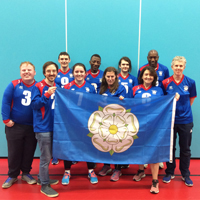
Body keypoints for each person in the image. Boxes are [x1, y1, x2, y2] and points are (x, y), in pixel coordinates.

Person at [1, 61, 37, 189]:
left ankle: (26, 173)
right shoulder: (13, 84)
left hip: (32, 127)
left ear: (34, 72)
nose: (26, 72)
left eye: (29, 70)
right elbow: (5, 102)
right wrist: (6, 119)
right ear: (20, 72)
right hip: (15, 125)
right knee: (14, 151)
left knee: (29, 151)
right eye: (24, 70)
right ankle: (12, 175)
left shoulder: (38, 86)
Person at [162, 56, 197, 187]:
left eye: (180, 66)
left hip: (186, 120)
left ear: (184, 67)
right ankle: (169, 172)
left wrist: (184, 110)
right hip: (170, 121)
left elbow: (191, 99)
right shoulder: (165, 82)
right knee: (170, 147)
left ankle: (185, 174)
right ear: (172, 67)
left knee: (185, 149)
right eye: (176, 66)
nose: (178, 68)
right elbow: (163, 101)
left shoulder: (190, 82)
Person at [62, 63, 98, 185]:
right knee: (68, 144)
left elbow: (95, 104)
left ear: (85, 73)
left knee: (88, 144)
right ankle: (67, 171)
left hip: (86, 121)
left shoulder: (90, 88)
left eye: (81, 72)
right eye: (76, 72)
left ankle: (91, 170)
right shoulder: (66, 87)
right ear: (73, 73)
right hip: (71, 122)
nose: (79, 74)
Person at [31, 61, 59, 197]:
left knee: (49, 155)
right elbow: (34, 105)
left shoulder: (58, 87)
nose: (51, 73)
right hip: (43, 127)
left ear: (57, 72)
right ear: (44, 73)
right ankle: (44, 185)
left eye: (54, 71)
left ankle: (42, 177)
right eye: (49, 71)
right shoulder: (38, 86)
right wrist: (46, 94)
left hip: (55, 127)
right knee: (46, 157)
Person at [138, 49, 169, 169]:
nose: (152, 59)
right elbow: (139, 83)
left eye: (155, 57)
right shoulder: (142, 69)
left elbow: (165, 85)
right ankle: (144, 159)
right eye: (150, 57)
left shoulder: (164, 69)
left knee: (157, 134)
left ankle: (158, 158)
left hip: (158, 105)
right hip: (143, 109)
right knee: (144, 135)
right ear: (147, 58)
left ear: (158, 57)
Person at [98, 67, 126, 182]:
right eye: (108, 76)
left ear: (116, 77)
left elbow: (126, 104)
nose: (110, 79)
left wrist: (122, 100)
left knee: (116, 144)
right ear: (105, 77)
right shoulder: (102, 88)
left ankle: (118, 169)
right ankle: (107, 165)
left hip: (117, 122)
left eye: (112, 77)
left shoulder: (121, 88)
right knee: (105, 142)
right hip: (104, 120)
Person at [53, 52, 73, 165]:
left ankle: (71, 154)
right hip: (58, 105)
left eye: (66, 59)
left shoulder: (73, 73)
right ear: (58, 60)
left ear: (69, 60)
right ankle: (56, 154)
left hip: (71, 106)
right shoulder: (55, 73)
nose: (64, 61)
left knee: (70, 130)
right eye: (62, 59)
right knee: (59, 129)